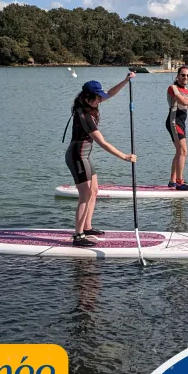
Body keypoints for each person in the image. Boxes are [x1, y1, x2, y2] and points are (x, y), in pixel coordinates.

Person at [65, 75, 136, 247]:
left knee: (94, 191)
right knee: (85, 195)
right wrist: (124, 156)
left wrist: (126, 80)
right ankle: (78, 235)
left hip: (85, 155)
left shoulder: (90, 103)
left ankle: (87, 227)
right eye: (97, 97)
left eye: (99, 97)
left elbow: (109, 94)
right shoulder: (85, 115)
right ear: (88, 97)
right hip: (77, 156)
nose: (100, 100)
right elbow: (102, 142)